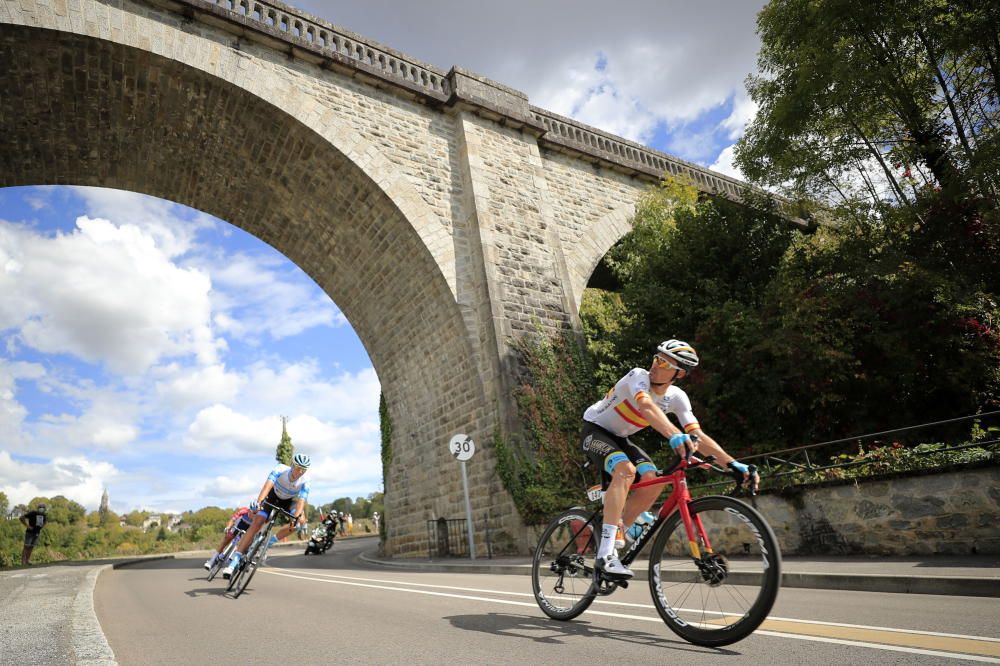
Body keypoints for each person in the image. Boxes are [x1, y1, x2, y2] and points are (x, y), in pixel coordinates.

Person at [580, 339, 759, 580]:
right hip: (594, 429)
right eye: (656, 358)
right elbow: (646, 407)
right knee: (626, 470)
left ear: (680, 373)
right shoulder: (638, 376)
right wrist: (674, 435)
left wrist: (732, 463)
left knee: (654, 478)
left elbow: (698, 435)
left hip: (620, 437)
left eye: (664, 362)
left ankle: (618, 529)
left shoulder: (677, 397)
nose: (655, 364)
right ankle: (605, 555)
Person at [222, 453, 312, 579]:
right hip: (272, 497)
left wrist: (295, 518)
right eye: (298, 467)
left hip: (288, 502)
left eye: (304, 469)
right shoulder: (280, 469)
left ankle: (269, 542)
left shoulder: (306, 480)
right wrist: (258, 504)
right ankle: (234, 562)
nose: (300, 471)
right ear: (292, 465)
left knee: (300, 521)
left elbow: (301, 502)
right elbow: (266, 487)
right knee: (257, 522)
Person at [203, 503, 256, 571]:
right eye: (252, 513)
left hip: (247, 530)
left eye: (255, 514)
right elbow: (233, 519)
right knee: (226, 539)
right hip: (238, 526)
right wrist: (228, 527)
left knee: (245, 544)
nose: (253, 515)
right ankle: (212, 560)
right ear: (249, 510)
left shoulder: (257, 517)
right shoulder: (243, 511)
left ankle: (243, 560)